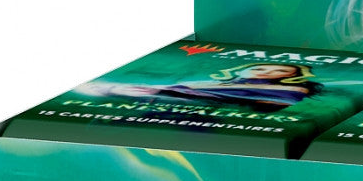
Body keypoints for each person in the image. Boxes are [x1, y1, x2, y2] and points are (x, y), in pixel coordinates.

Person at [75, 63, 323, 114]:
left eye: (278, 72)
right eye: (264, 67)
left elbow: (272, 104)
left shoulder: (289, 92)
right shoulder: (228, 82)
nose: (266, 71)